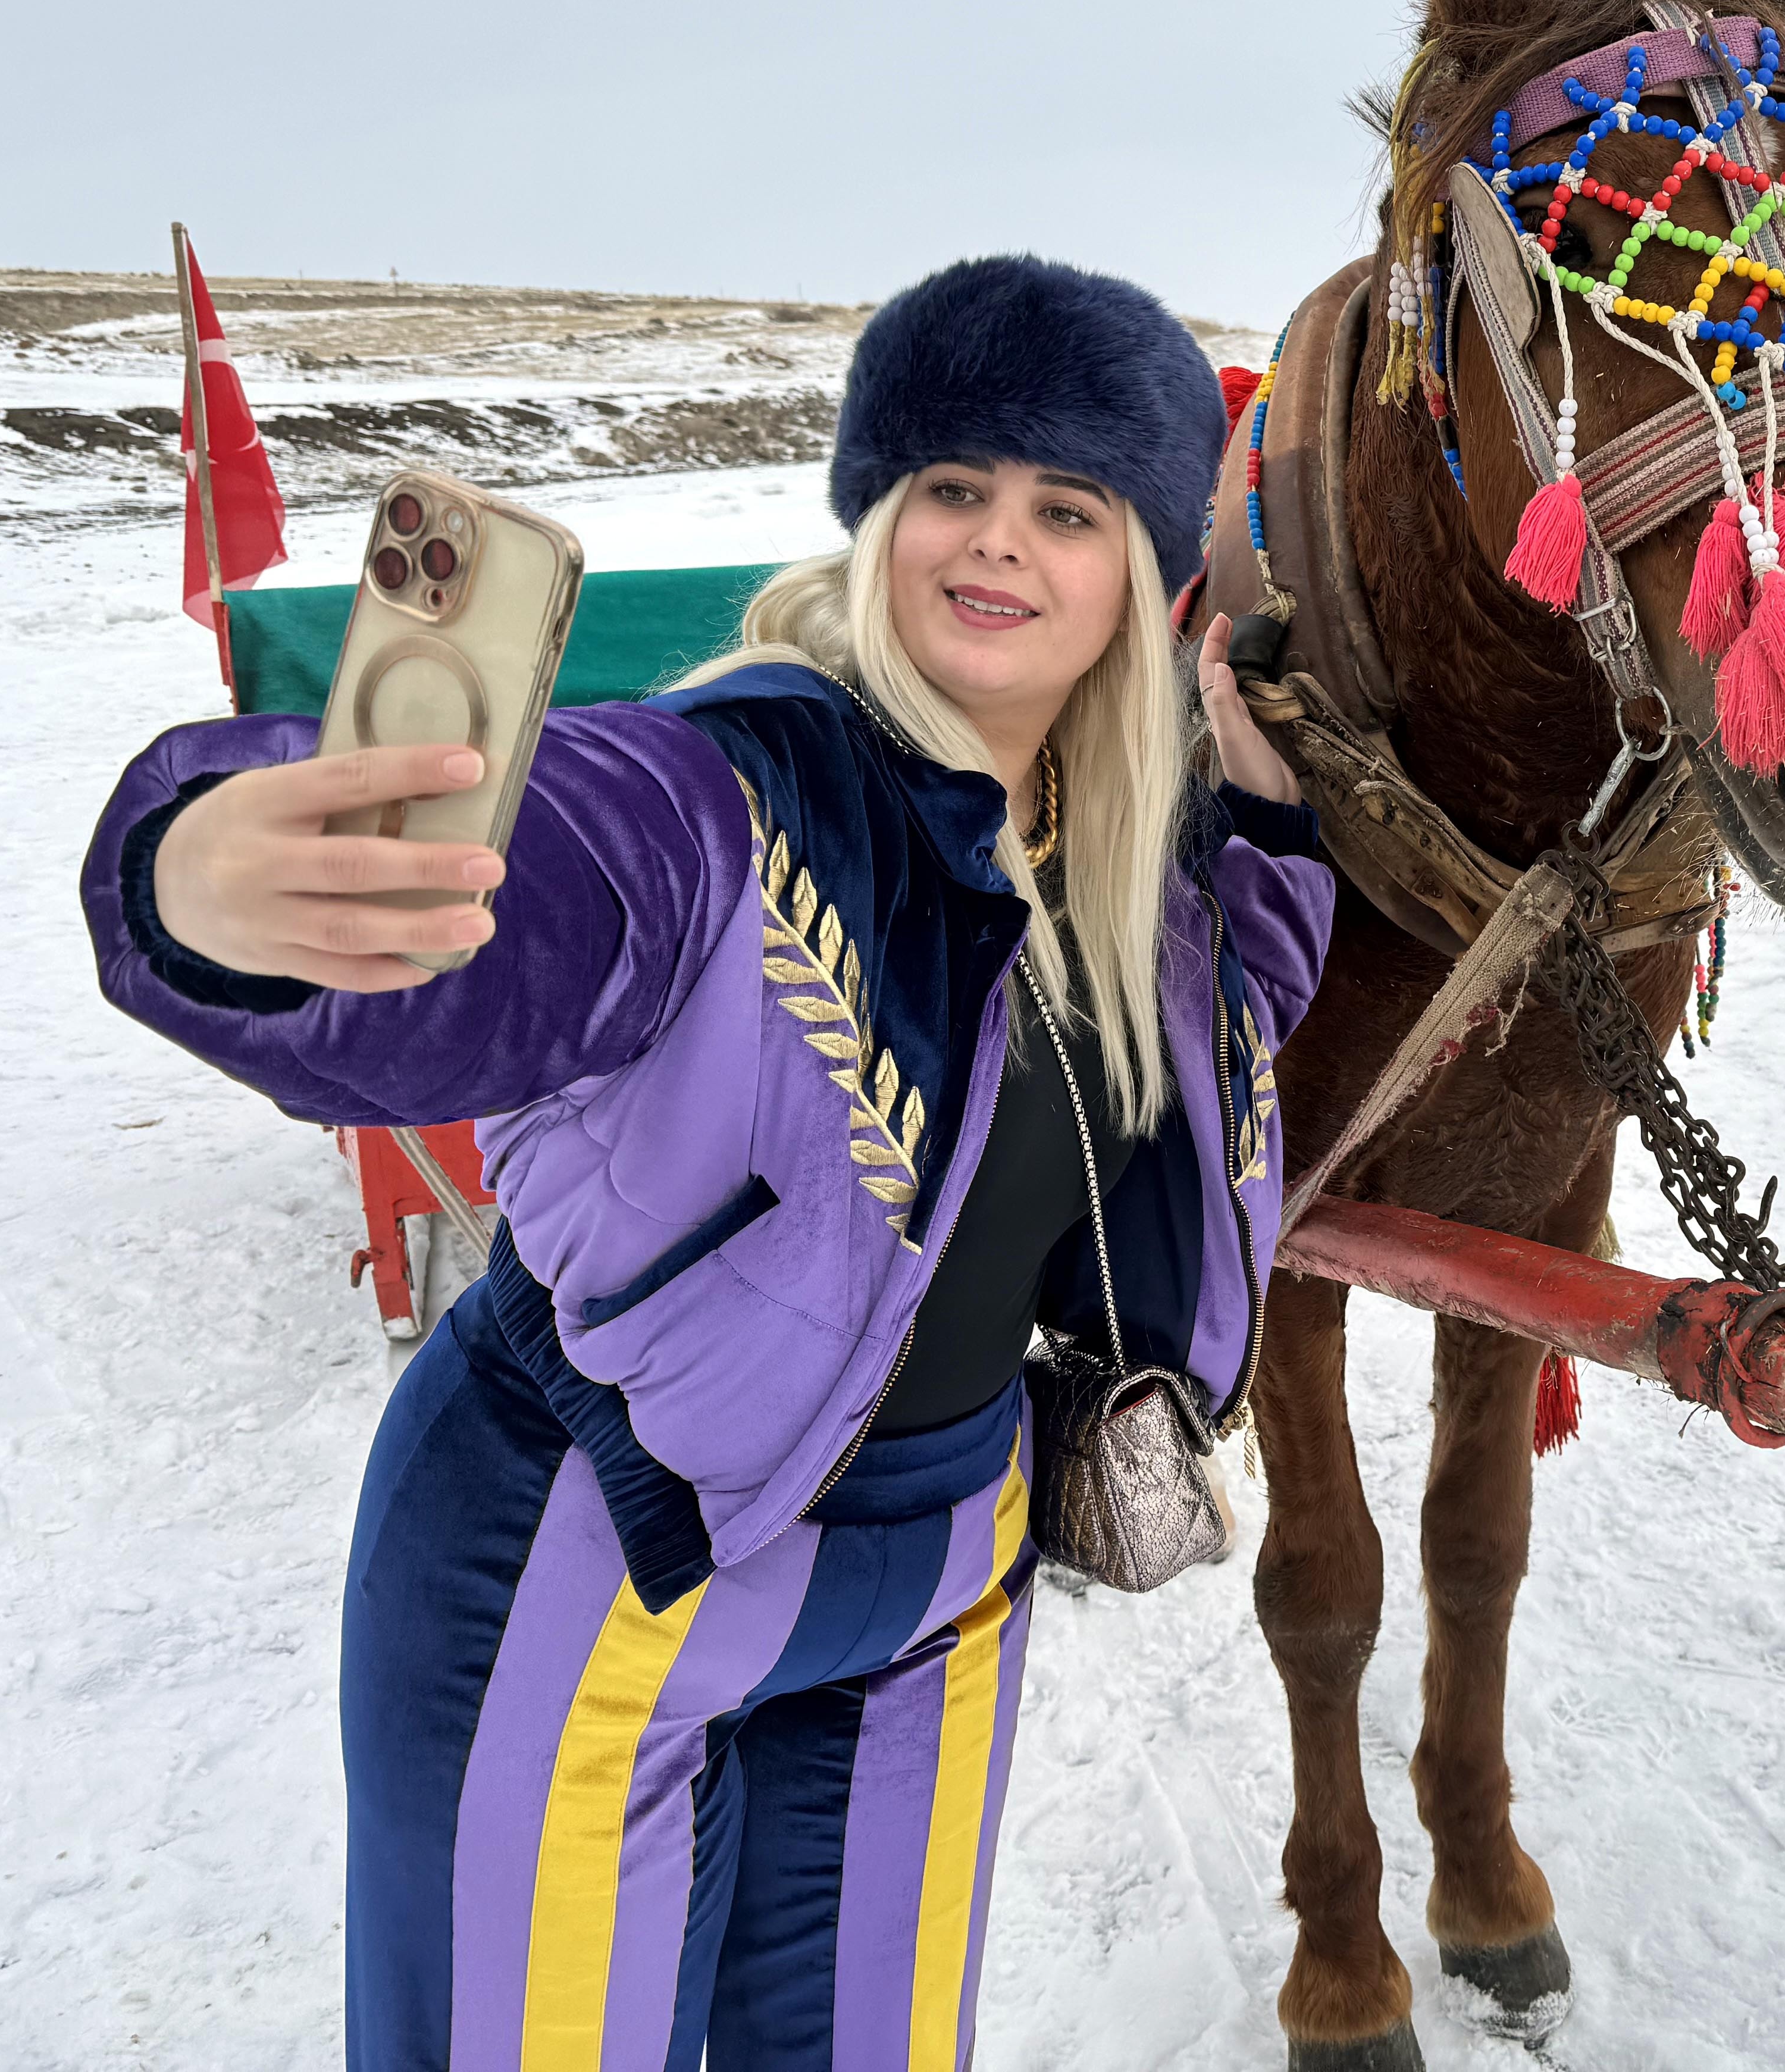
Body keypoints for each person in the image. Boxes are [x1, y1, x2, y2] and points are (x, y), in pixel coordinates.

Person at [82, 255, 1335, 2070]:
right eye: (955, 490)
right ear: (880, 517)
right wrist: (200, 882)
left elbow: (1210, 1031)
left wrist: (1278, 841)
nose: (999, 544)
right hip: (593, 1574)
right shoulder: (733, 789)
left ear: (1141, 574)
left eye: (1066, 509)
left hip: (931, 1605)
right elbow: (535, 903)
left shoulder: (1136, 875)